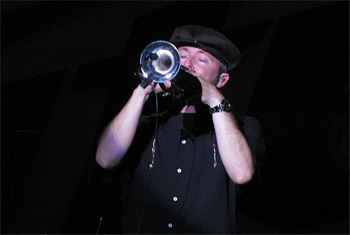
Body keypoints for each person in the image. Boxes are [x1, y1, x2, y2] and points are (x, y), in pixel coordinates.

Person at [96, 25, 265, 234]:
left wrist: (214, 98)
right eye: (181, 56)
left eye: (201, 59)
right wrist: (143, 91)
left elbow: (242, 174)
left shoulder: (244, 127)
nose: (188, 65)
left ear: (222, 79)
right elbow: (105, 159)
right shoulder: (148, 124)